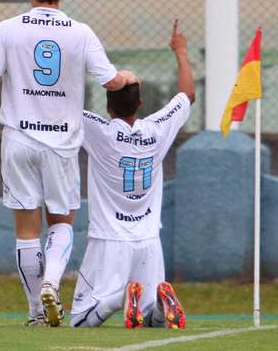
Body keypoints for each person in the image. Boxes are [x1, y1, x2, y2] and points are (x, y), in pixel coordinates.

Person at [0, 0, 137, 327]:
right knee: (61, 222)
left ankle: (35, 313)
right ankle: (52, 283)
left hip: (19, 139)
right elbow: (109, 81)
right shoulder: (80, 32)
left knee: (26, 229)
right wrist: (126, 76)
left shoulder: (8, 29)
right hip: (61, 144)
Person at [70, 19, 195, 330]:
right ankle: (156, 304)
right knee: (152, 318)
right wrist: (180, 52)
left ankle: (118, 299)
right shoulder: (156, 130)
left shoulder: (99, 131)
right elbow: (187, 96)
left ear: (108, 106)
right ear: (140, 103)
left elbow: (65, 106)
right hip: (149, 241)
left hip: (109, 239)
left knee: (79, 320)